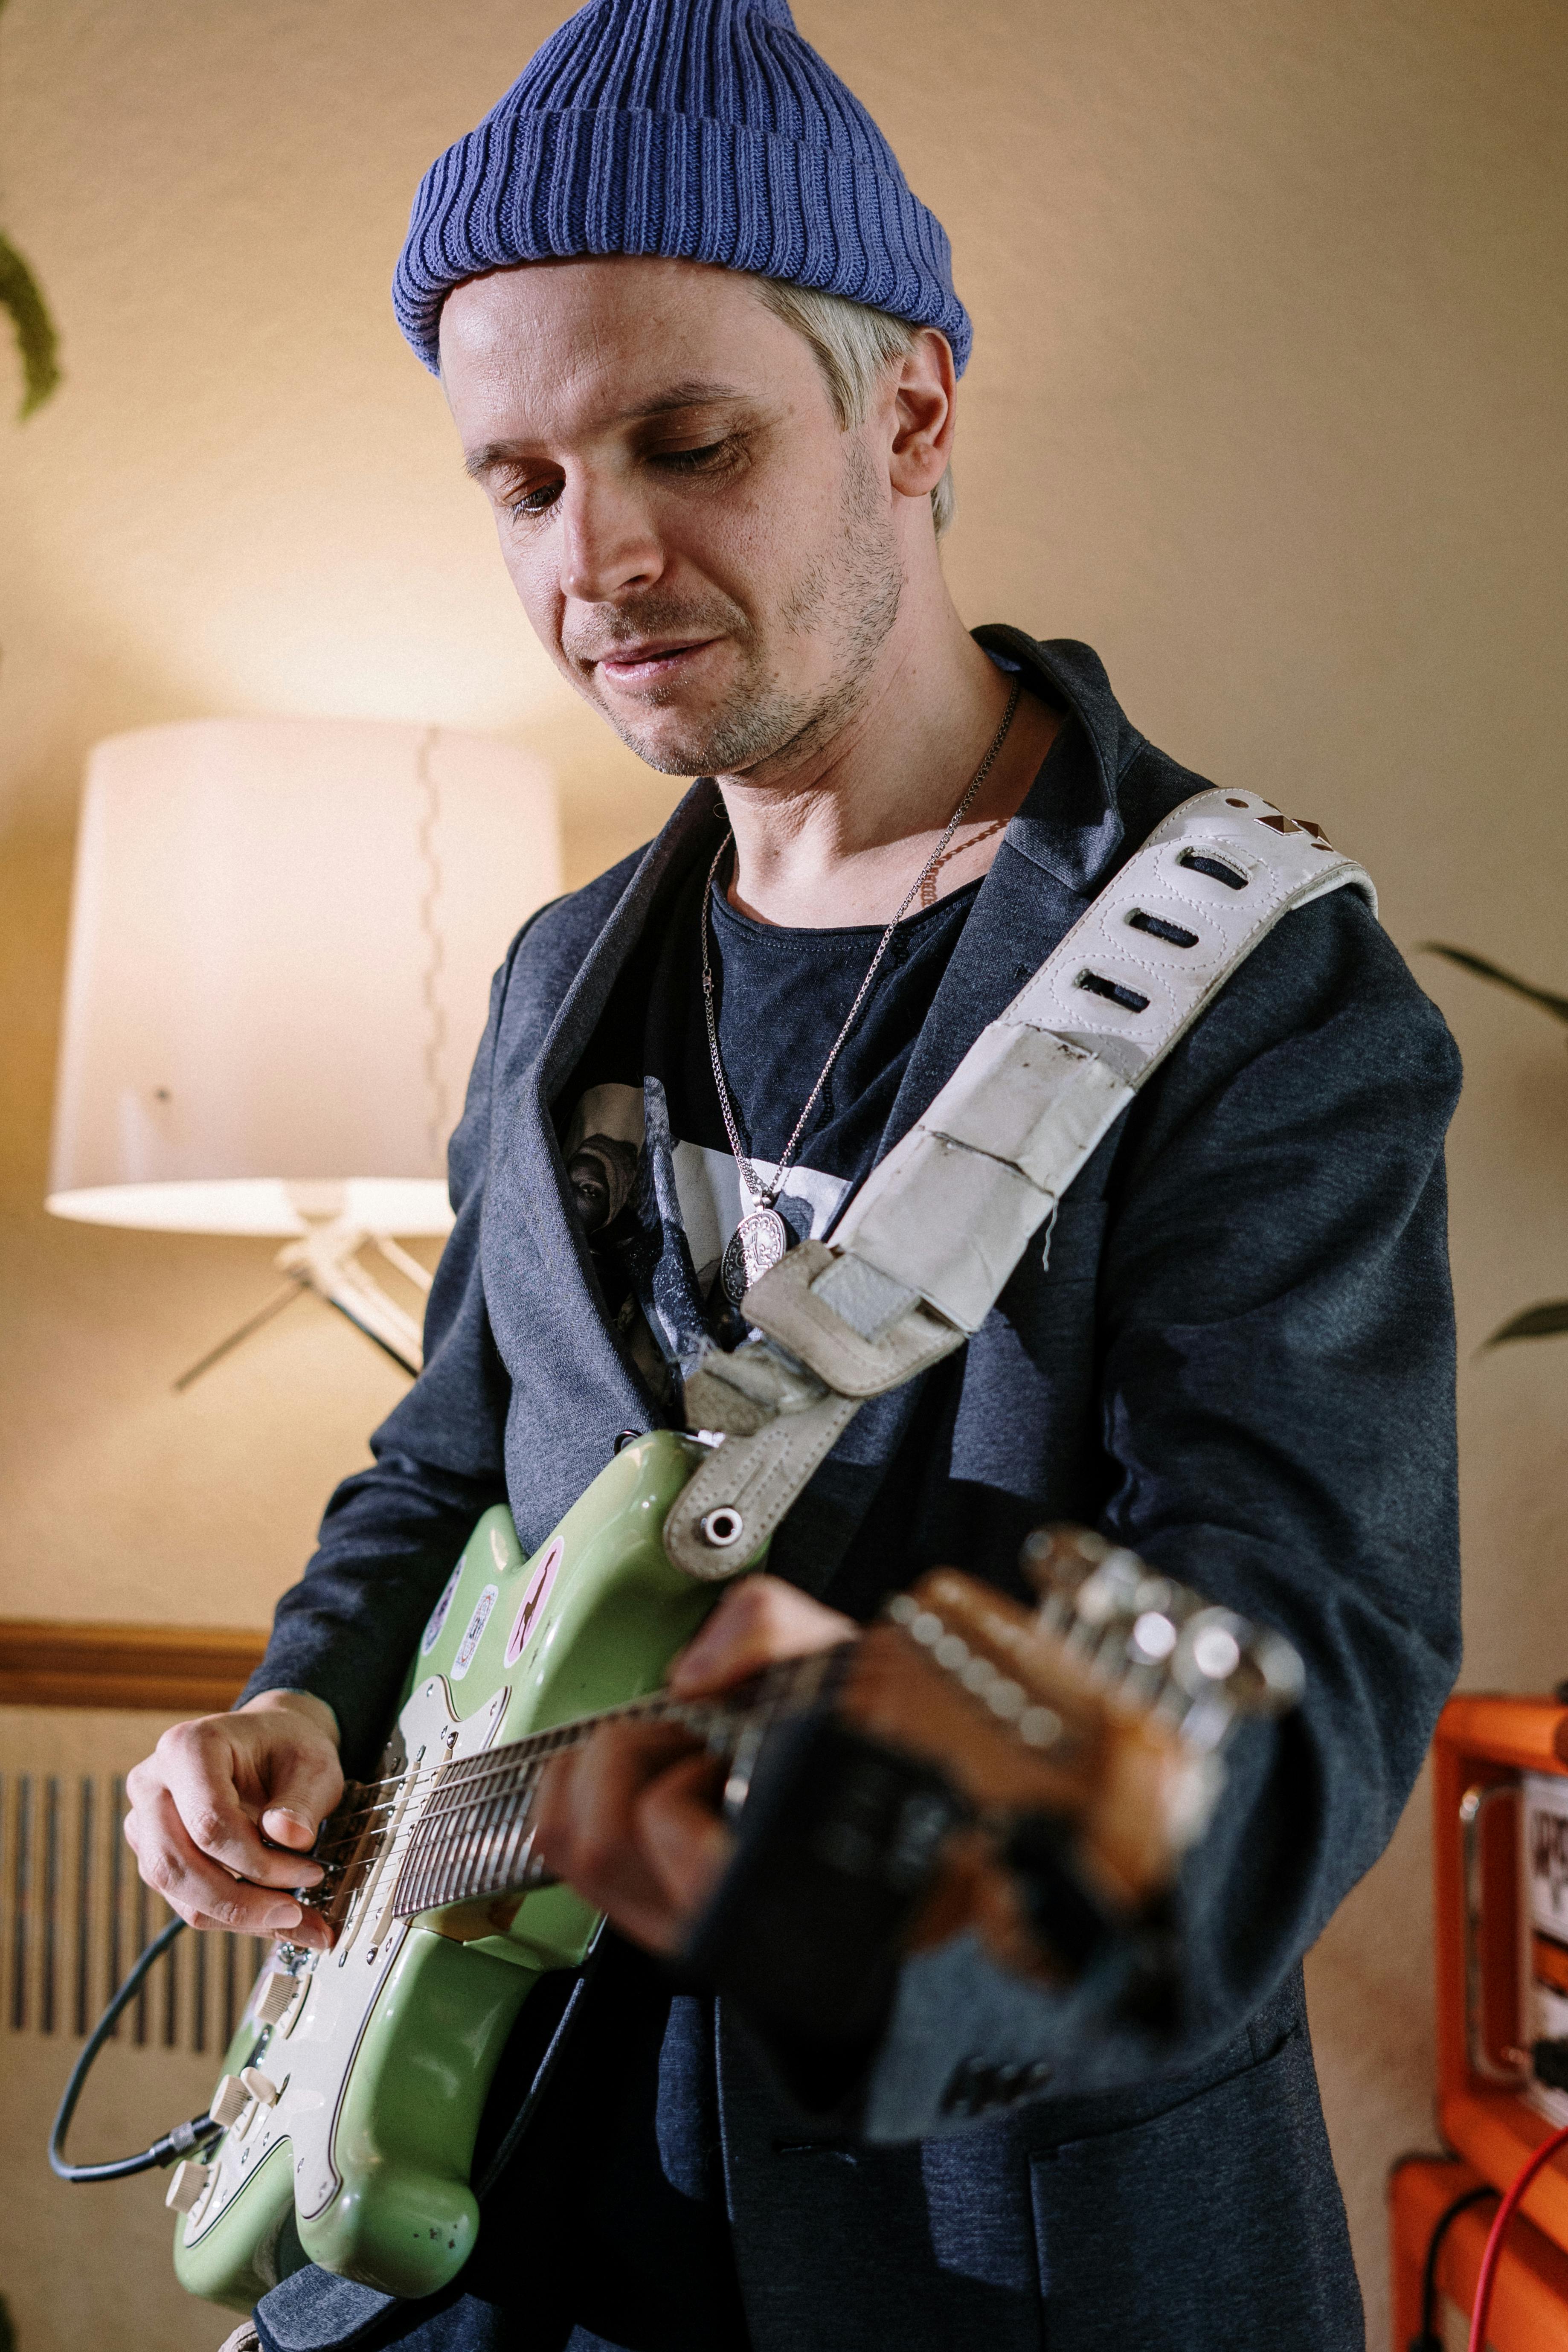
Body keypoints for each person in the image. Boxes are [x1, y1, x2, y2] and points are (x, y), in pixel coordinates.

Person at [122, 3, 1463, 2346]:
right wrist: (308, 1707)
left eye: (687, 442)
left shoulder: (1262, 999)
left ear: (911, 411)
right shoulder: (558, 974)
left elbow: (1291, 1686)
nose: (599, 557)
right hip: (474, 2225)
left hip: (979, 2253)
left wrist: (875, 1859)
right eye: (521, 484)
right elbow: (454, 1456)